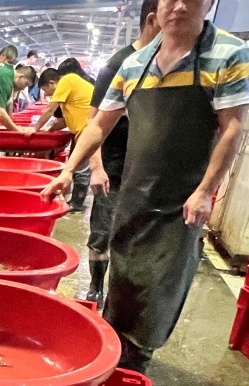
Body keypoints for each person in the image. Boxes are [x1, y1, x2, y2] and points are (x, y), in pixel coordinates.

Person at [42, 0, 249, 372]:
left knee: (157, 295)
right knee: (123, 285)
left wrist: (205, 190)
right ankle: (115, 363)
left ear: (209, 3)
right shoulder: (135, 64)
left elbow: (233, 127)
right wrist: (68, 169)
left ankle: (135, 365)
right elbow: (98, 125)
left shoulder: (229, 55)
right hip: (135, 195)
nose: (178, 6)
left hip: (182, 204)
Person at [84, 0, 161, 307]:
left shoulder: (164, 63)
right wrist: (96, 167)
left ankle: (122, 295)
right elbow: (94, 123)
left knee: (135, 239)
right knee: (103, 230)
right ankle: (95, 286)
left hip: (145, 173)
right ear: (153, 21)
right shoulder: (120, 63)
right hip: (114, 169)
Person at [33, 63, 95, 212]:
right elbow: (66, 120)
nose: (46, 95)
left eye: (45, 90)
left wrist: (35, 129)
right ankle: (75, 200)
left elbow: (49, 109)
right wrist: (50, 130)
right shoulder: (71, 90)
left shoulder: (67, 80)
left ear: (52, 83)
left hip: (87, 131)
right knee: (76, 167)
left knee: (81, 169)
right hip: (81, 131)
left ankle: (77, 203)